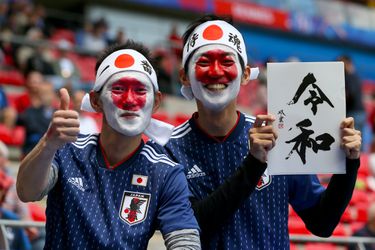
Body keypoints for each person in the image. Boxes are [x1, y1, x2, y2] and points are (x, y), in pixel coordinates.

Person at [162, 14, 362, 249]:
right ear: (184, 76)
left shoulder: (279, 137)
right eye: (204, 62)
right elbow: (191, 228)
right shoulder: (169, 151)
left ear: (246, 74)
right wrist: (254, 163)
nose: (216, 72)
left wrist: (349, 164)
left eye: (226, 61)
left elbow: (322, 223)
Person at [16, 41, 201, 249]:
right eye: (119, 88)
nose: (130, 100)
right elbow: (27, 192)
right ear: (96, 101)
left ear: (156, 102)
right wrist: (48, 144)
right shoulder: (68, 150)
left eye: (140, 90)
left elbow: (186, 241)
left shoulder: (165, 172)